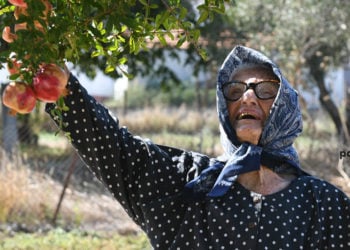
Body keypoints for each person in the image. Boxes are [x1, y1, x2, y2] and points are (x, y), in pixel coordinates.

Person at [3, 23, 350, 248]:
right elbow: (116, 149)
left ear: (286, 105)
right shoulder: (185, 185)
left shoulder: (326, 206)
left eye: (263, 88)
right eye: (235, 89)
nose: (246, 96)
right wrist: (63, 90)